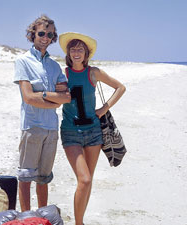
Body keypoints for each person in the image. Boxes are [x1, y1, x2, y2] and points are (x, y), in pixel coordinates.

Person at [57, 32, 126, 224]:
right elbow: (54, 96)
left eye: (80, 49)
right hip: (71, 132)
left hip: (94, 133)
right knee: (84, 179)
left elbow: (120, 87)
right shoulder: (64, 74)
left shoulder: (93, 73)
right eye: (73, 48)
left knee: (88, 181)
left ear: (87, 53)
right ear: (68, 53)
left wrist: (104, 108)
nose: (76, 52)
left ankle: (81, 220)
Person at [14, 15, 71, 211]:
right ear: (33, 34)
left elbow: (66, 97)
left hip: (51, 129)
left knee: (44, 177)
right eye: (41, 33)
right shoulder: (23, 61)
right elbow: (28, 97)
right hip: (32, 126)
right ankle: (26, 217)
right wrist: (53, 101)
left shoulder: (54, 65)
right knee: (25, 177)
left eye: (49, 34)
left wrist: (45, 95)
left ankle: (42, 216)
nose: (45, 37)